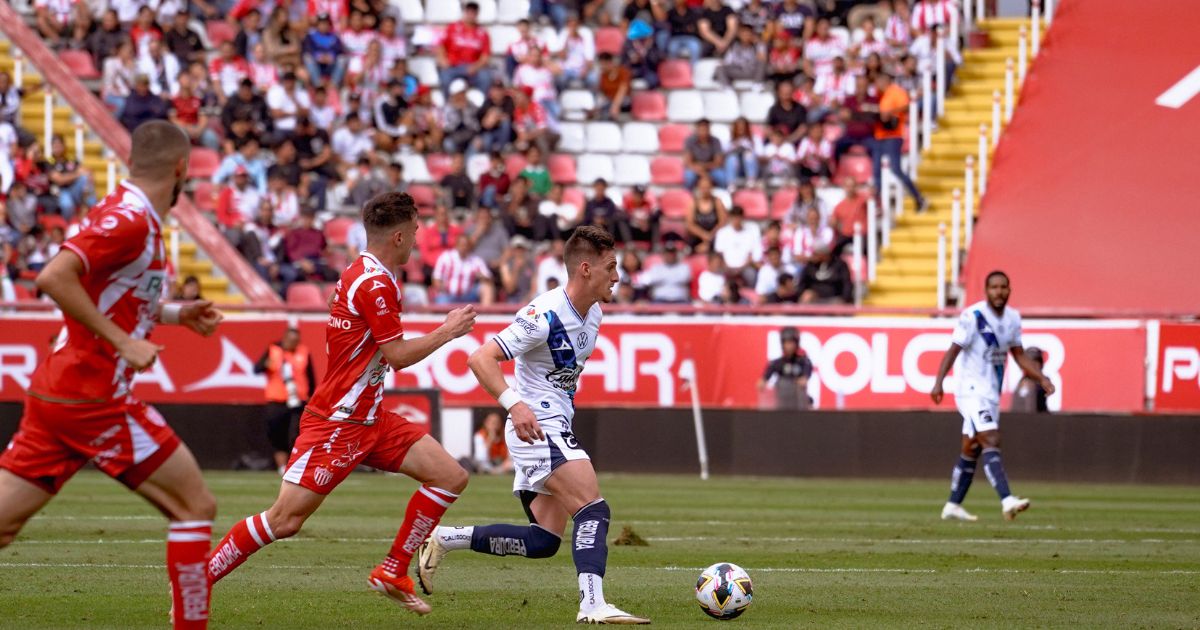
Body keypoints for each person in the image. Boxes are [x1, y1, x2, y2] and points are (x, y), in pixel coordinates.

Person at [207, 192, 478, 616]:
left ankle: (393, 569)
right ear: (400, 235)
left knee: (450, 476)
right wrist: (448, 331)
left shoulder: (364, 271)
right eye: (416, 232)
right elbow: (397, 356)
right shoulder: (374, 284)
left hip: (370, 417)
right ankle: (198, 580)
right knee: (285, 520)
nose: (419, 239)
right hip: (339, 421)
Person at [0, 121, 222, 629]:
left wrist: (173, 314)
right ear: (181, 170)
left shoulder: (129, 212)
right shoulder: (132, 220)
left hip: (58, 393)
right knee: (195, 506)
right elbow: (53, 277)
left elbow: (112, 290)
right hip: (92, 396)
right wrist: (123, 341)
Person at [418, 226, 650, 625]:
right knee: (593, 508)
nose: (618, 276)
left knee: (544, 541)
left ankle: (443, 538)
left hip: (552, 422)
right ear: (584, 269)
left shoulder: (593, 311)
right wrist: (514, 405)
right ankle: (593, 605)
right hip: (536, 426)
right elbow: (480, 358)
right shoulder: (543, 315)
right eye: (611, 267)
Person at [930, 271, 1055, 522]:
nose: (999, 292)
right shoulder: (973, 317)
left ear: (1009, 290)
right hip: (970, 390)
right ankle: (1007, 500)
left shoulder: (1012, 319)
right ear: (986, 291)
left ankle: (953, 505)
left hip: (991, 393)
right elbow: (954, 349)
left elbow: (1019, 355)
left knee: (972, 446)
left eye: (1003, 287)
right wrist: (939, 381)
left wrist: (1041, 378)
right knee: (991, 438)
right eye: (994, 287)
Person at [254, 324, 317, 474]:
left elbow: (311, 378)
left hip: (298, 401)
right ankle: (282, 467)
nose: (293, 344)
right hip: (277, 400)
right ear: (284, 339)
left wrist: (311, 399)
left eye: (296, 341)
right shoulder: (273, 350)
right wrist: (266, 364)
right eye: (290, 340)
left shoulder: (304, 352)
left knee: (296, 434)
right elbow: (257, 368)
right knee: (277, 434)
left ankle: (294, 465)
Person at [758, 326, 812, 410]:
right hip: (782, 401)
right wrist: (763, 381)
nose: (789, 346)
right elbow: (764, 379)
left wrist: (803, 379)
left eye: (791, 343)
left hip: (798, 401)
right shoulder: (777, 363)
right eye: (786, 343)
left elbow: (806, 374)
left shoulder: (803, 361)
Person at [1011, 347, 1050, 413]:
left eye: (1038, 361)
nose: (1036, 365)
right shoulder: (1023, 383)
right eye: (1031, 362)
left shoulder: (1043, 383)